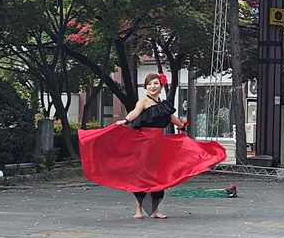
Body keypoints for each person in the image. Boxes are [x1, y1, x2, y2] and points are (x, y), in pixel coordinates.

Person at [78, 73, 227, 219]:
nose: (152, 86)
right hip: (144, 143)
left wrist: (182, 126)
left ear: (161, 86)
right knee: (142, 176)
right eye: (149, 84)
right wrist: (125, 120)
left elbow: (172, 118)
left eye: (155, 83)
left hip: (159, 144)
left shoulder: (164, 105)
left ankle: (155, 210)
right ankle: (138, 210)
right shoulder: (143, 102)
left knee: (159, 176)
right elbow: (135, 112)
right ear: (146, 87)